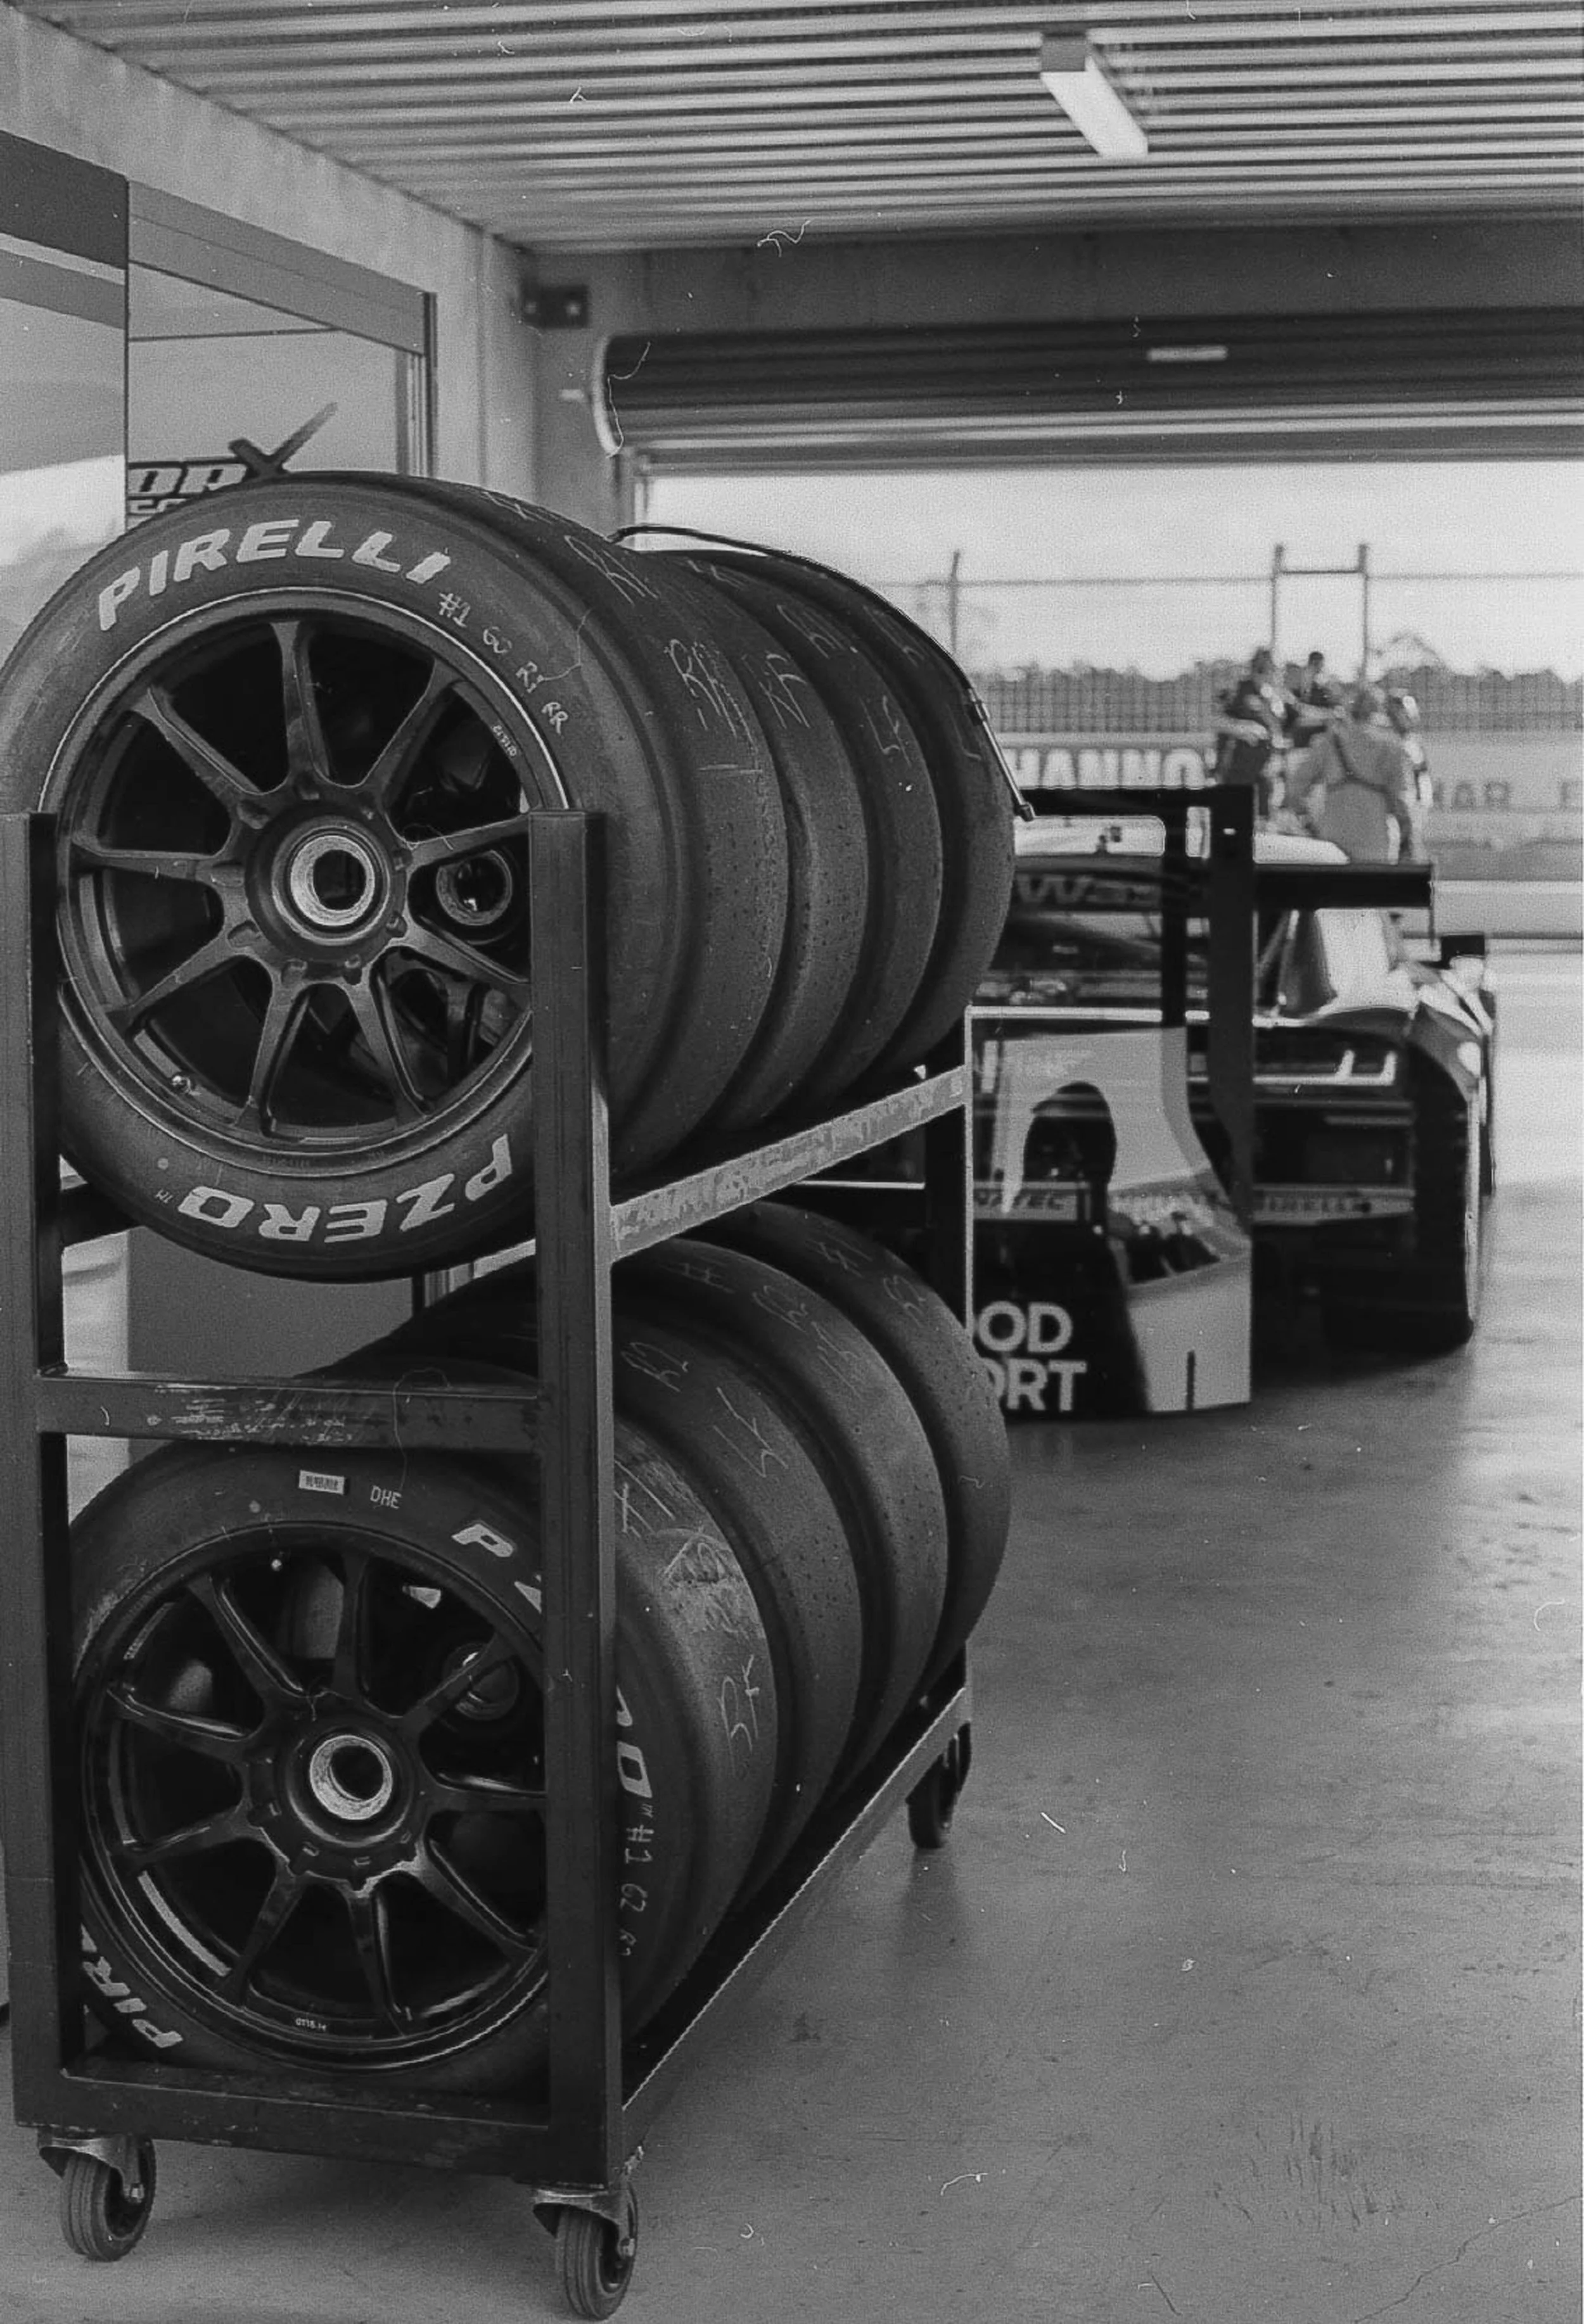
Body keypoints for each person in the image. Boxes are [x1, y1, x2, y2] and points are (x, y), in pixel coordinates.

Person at [1285, 683, 1420, 861]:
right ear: (1381, 713)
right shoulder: (1392, 747)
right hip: (1375, 842)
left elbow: (1294, 790)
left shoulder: (1327, 744)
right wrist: (1407, 843)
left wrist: (1310, 825)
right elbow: (1403, 802)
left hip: (1331, 843)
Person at [1210, 646, 1291, 817]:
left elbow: (1276, 730)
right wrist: (1241, 727)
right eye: (1266, 669)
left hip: (1263, 771)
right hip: (1236, 770)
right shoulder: (1239, 689)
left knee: (1263, 823)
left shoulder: (1273, 697)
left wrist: (1277, 751)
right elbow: (1214, 719)